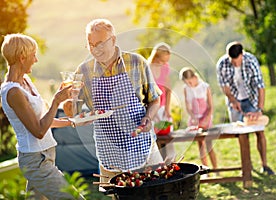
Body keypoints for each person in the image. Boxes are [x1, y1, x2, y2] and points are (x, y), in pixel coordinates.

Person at [63, 18, 163, 182]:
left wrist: (148, 118)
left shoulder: (136, 62)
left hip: (143, 146)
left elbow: (154, 100)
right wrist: (70, 100)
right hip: (109, 151)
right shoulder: (83, 71)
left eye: (100, 43)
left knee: (156, 191)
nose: (95, 49)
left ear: (113, 40)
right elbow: (74, 114)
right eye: (91, 44)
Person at [0, 33, 83, 199]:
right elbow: (38, 130)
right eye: (33, 55)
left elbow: (44, 121)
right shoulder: (13, 92)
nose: (36, 60)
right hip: (35, 160)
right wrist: (56, 100)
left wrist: (72, 122)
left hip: (46, 155)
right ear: (22, 57)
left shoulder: (26, 81)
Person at [216, 41, 274, 175]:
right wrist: (233, 100)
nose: (235, 64)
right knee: (241, 133)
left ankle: (264, 165)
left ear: (242, 54)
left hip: (251, 99)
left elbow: (260, 86)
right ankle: (248, 166)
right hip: (234, 101)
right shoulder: (222, 64)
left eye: (238, 61)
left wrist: (259, 109)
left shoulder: (251, 61)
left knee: (259, 132)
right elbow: (224, 86)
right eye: (233, 61)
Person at [179, 67, 218, 172]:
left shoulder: (205, 87)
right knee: (201, 145)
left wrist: (206, 118)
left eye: (190, 82)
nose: (189, 85)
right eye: (187, 83)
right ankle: (206, 171)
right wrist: (193, 117)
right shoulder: (186, 89)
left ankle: (215, 169)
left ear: (195, 77)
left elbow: (210, 106)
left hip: (206, 118)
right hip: (195, 119)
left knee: (209, 143)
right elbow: (188, 107)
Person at [148, 42, 172, 121]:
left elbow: (168, 90)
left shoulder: (165, 66)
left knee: (165, 127)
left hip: (162, 106)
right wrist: (152, 112)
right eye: (162, 61)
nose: (164, 64)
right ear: (155, 57)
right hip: (150, 106)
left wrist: (167, 108)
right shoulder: (147, 68)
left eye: (166, 61)